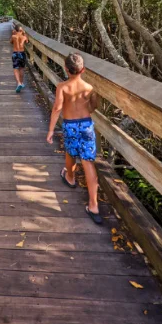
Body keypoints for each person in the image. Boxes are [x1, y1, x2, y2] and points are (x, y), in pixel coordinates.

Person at [46, 52, 102, 225]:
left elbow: (57, 108)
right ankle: (94, 205)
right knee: (88, 161)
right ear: (82, 69)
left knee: (70, 153)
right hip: (86, 125)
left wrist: (50, 131)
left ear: (66, 69)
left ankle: (70, 177)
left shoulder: (62, 87)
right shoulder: (90, 87)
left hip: (70, 125)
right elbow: (94, 106)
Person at [10, 23, 28, 93]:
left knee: (15, 68)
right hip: (22, 53)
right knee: (21, 69)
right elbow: (27, 41)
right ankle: (21, 82)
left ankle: (19, 83)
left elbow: (10, 42)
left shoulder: (13, 36)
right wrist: (24, 33)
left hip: (15, 54)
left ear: (15, 30)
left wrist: (13, 34)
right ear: (21, 30)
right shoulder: (24, 37)